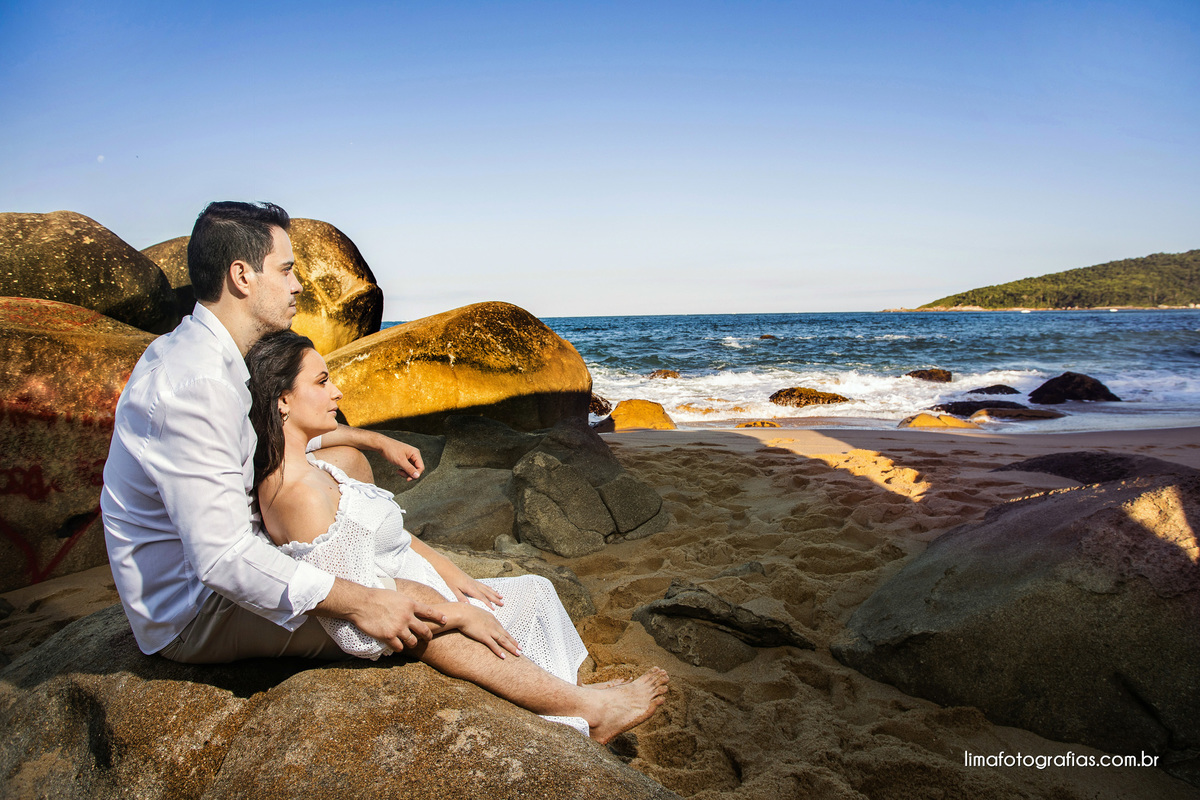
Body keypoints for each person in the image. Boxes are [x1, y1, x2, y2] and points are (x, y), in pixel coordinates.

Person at [246, 328, 669, 740]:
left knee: (536, 590)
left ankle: (572, 695)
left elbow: (387, 536)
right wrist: (462, 615)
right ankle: (587, 711)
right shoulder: (297, 496)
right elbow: (366, 611)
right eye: (322, 382)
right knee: (509, 610)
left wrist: (449, 570)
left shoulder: (321, 465)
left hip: (424, 586)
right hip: (413, 615)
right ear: (283, 400)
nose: (337, 392)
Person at [102, 201, 451, 664]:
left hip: (220, 572)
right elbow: (222, 559)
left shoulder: (210, 353)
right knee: (421, 618)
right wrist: (362, 602)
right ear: (242, 276)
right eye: (285, 270)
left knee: (345, 467)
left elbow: (265, 440)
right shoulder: (196, 386)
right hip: (197, 611)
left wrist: (372, 439)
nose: (298, 284)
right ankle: (551, 694)